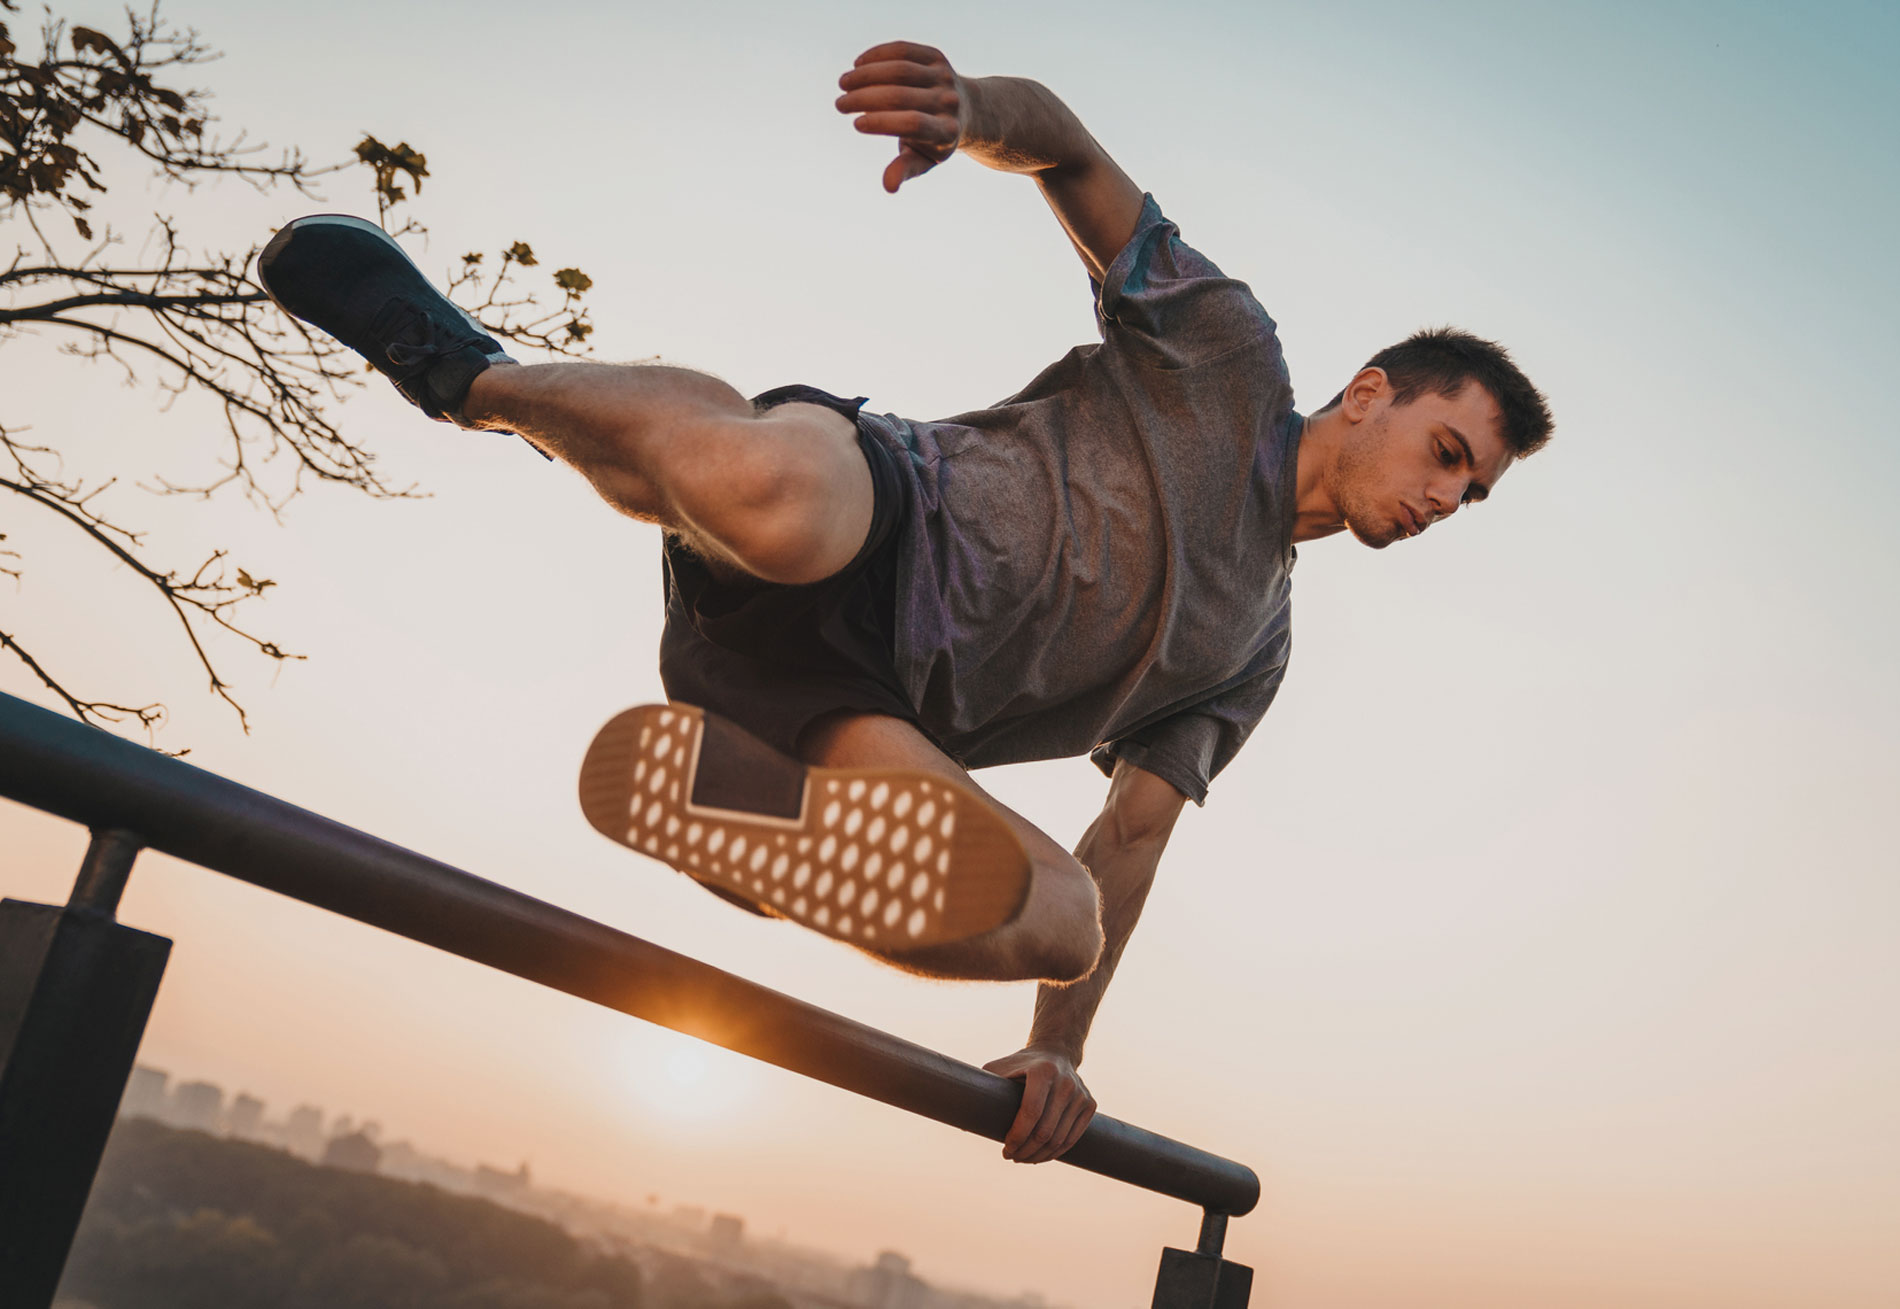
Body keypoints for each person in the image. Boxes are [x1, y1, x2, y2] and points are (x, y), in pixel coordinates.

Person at [257, 40, 1552, 1168]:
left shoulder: (1254, 650)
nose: (1450, 498)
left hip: (854, 710)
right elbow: (1069, 151)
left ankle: (755, 819)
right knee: (772, 490)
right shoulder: (1227, 353)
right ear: (1375, 391)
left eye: (1476, 494)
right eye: (1450, 453)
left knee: (1061, 916)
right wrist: (968, 108)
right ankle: (474, 378)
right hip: (878, 509)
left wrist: (1060, 1050)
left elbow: (1132, 838)